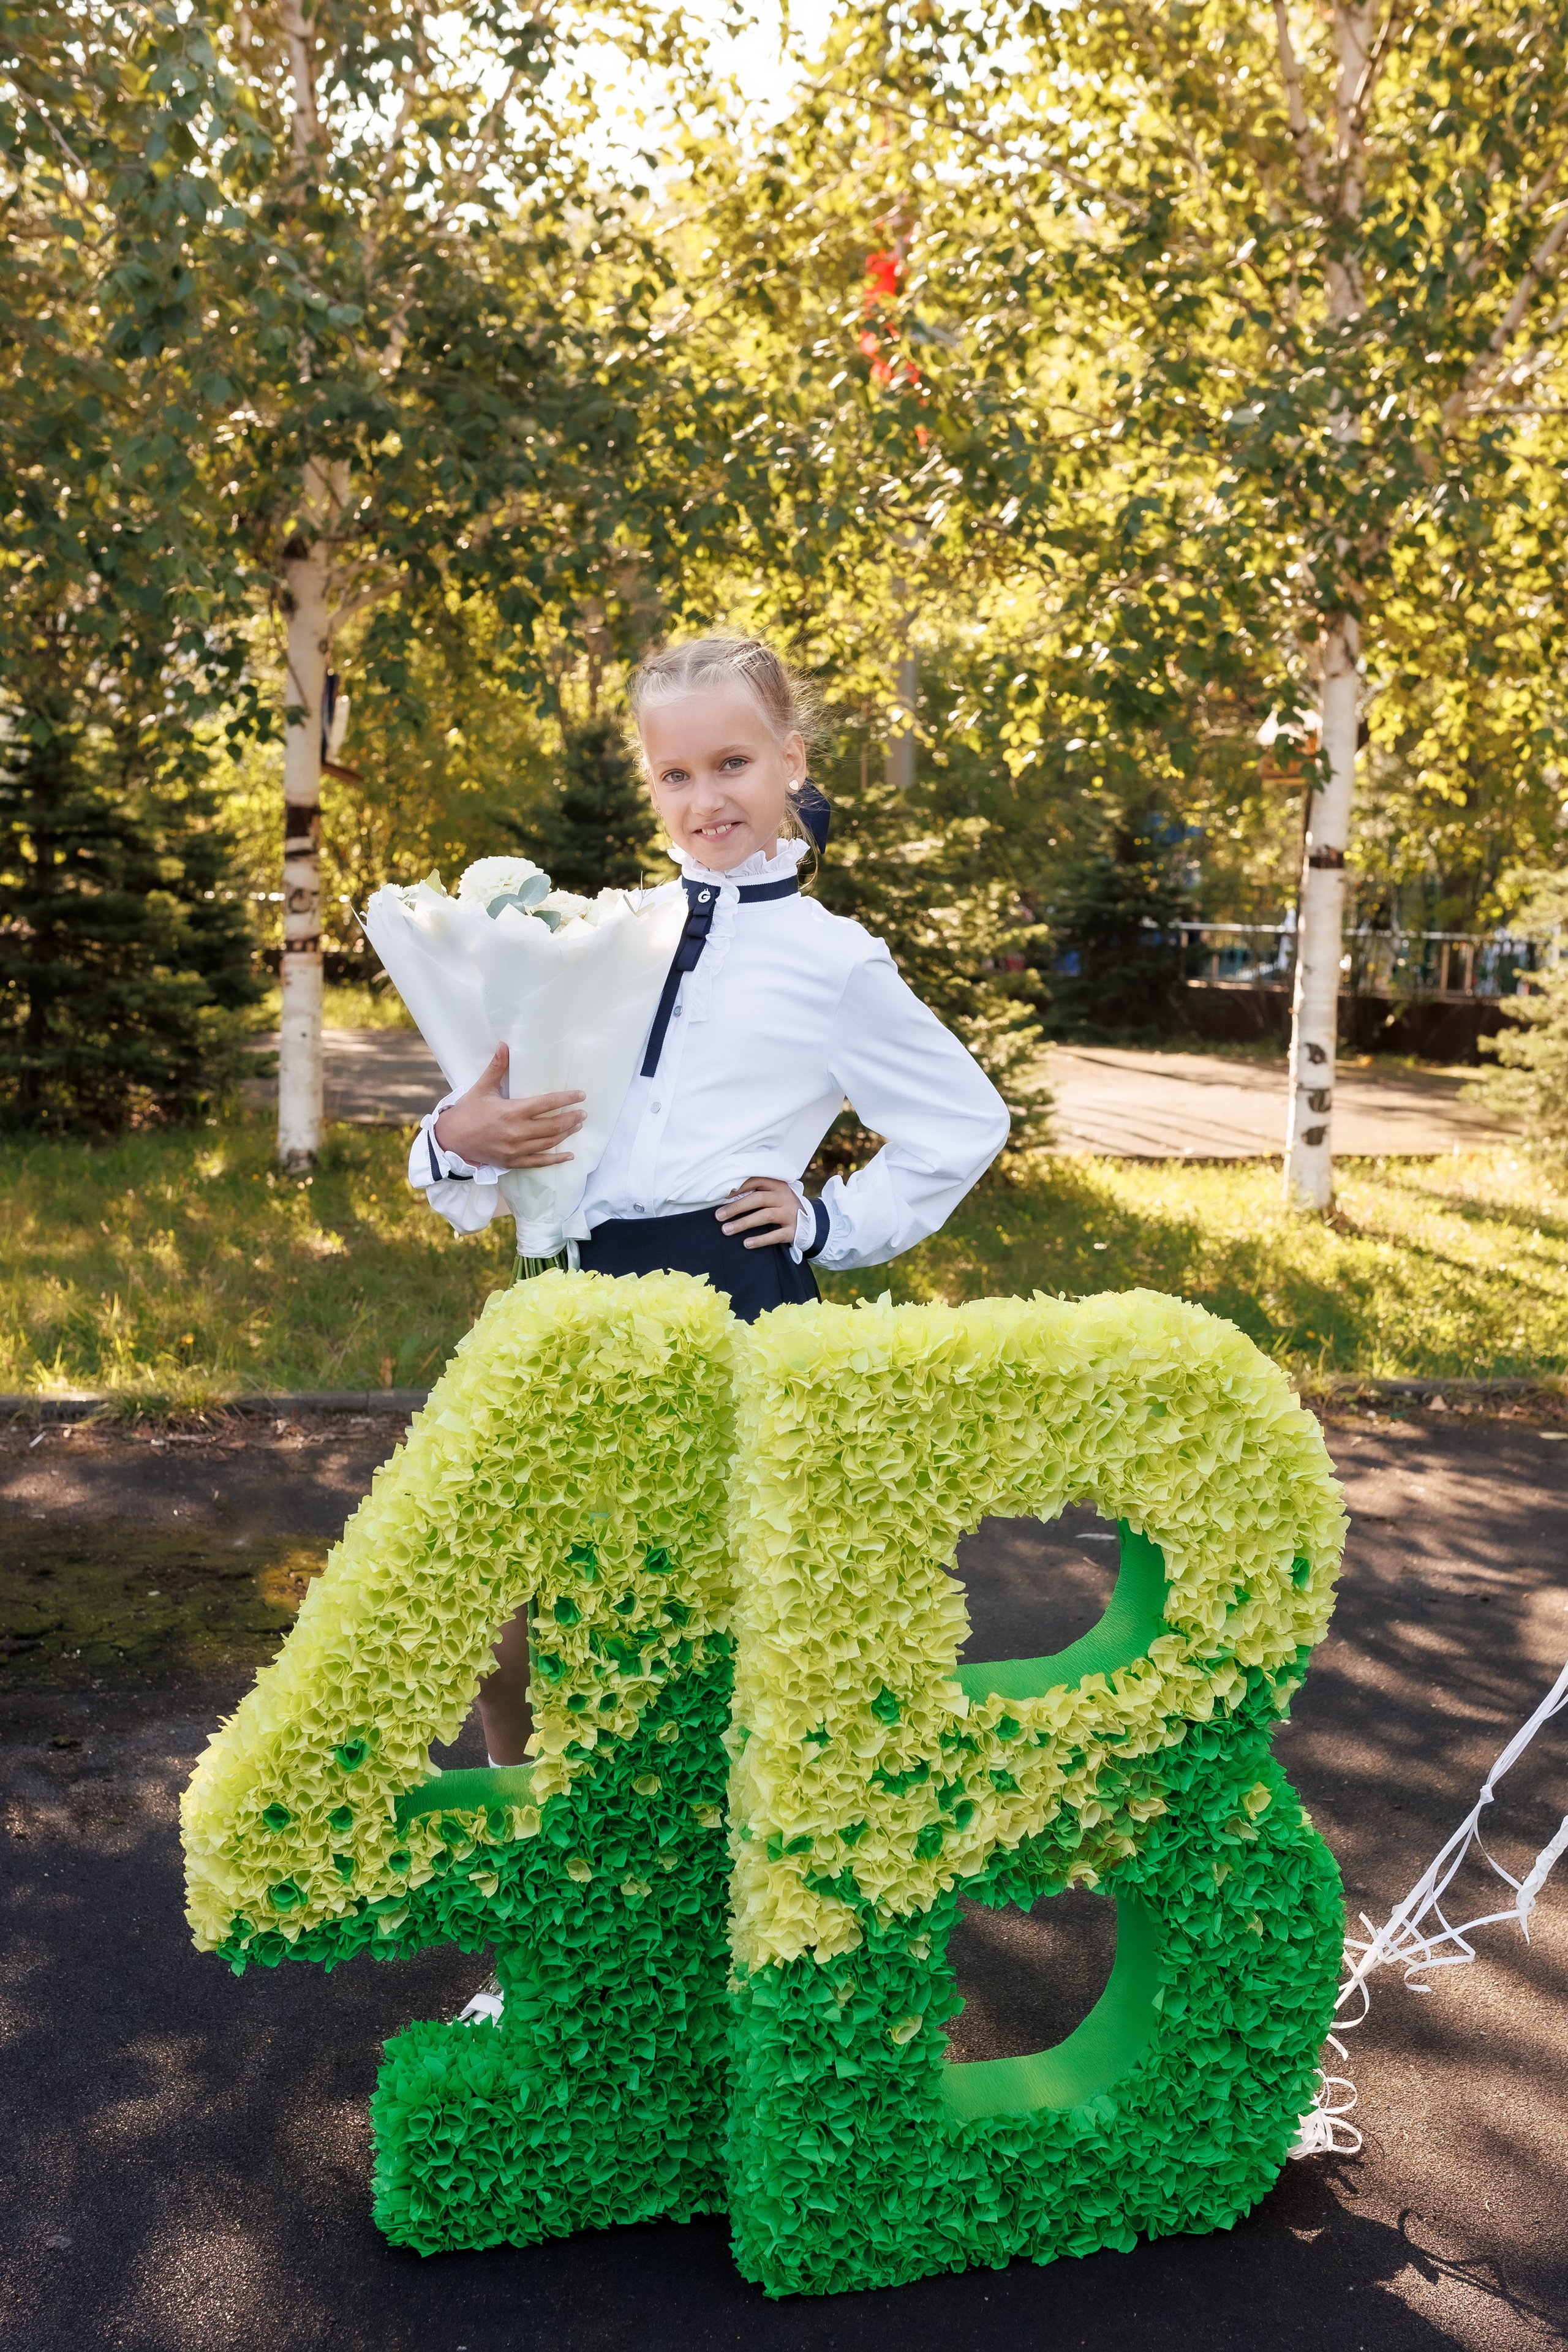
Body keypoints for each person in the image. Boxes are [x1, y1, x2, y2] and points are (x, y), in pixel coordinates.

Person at [409, 635, 1009, 1771]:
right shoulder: (599, 936)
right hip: (573, 1290)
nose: (706, 798)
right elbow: (499, 1103)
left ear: (790, 762)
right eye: (675, 776)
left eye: (730, 764)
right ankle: (545, 1854)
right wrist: (455, 1137)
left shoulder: (834, 959)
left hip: (727, 1289)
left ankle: (697, 1899)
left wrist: (828, 1217)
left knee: (694, 1633)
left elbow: (964, 1121)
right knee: (501, 1620)